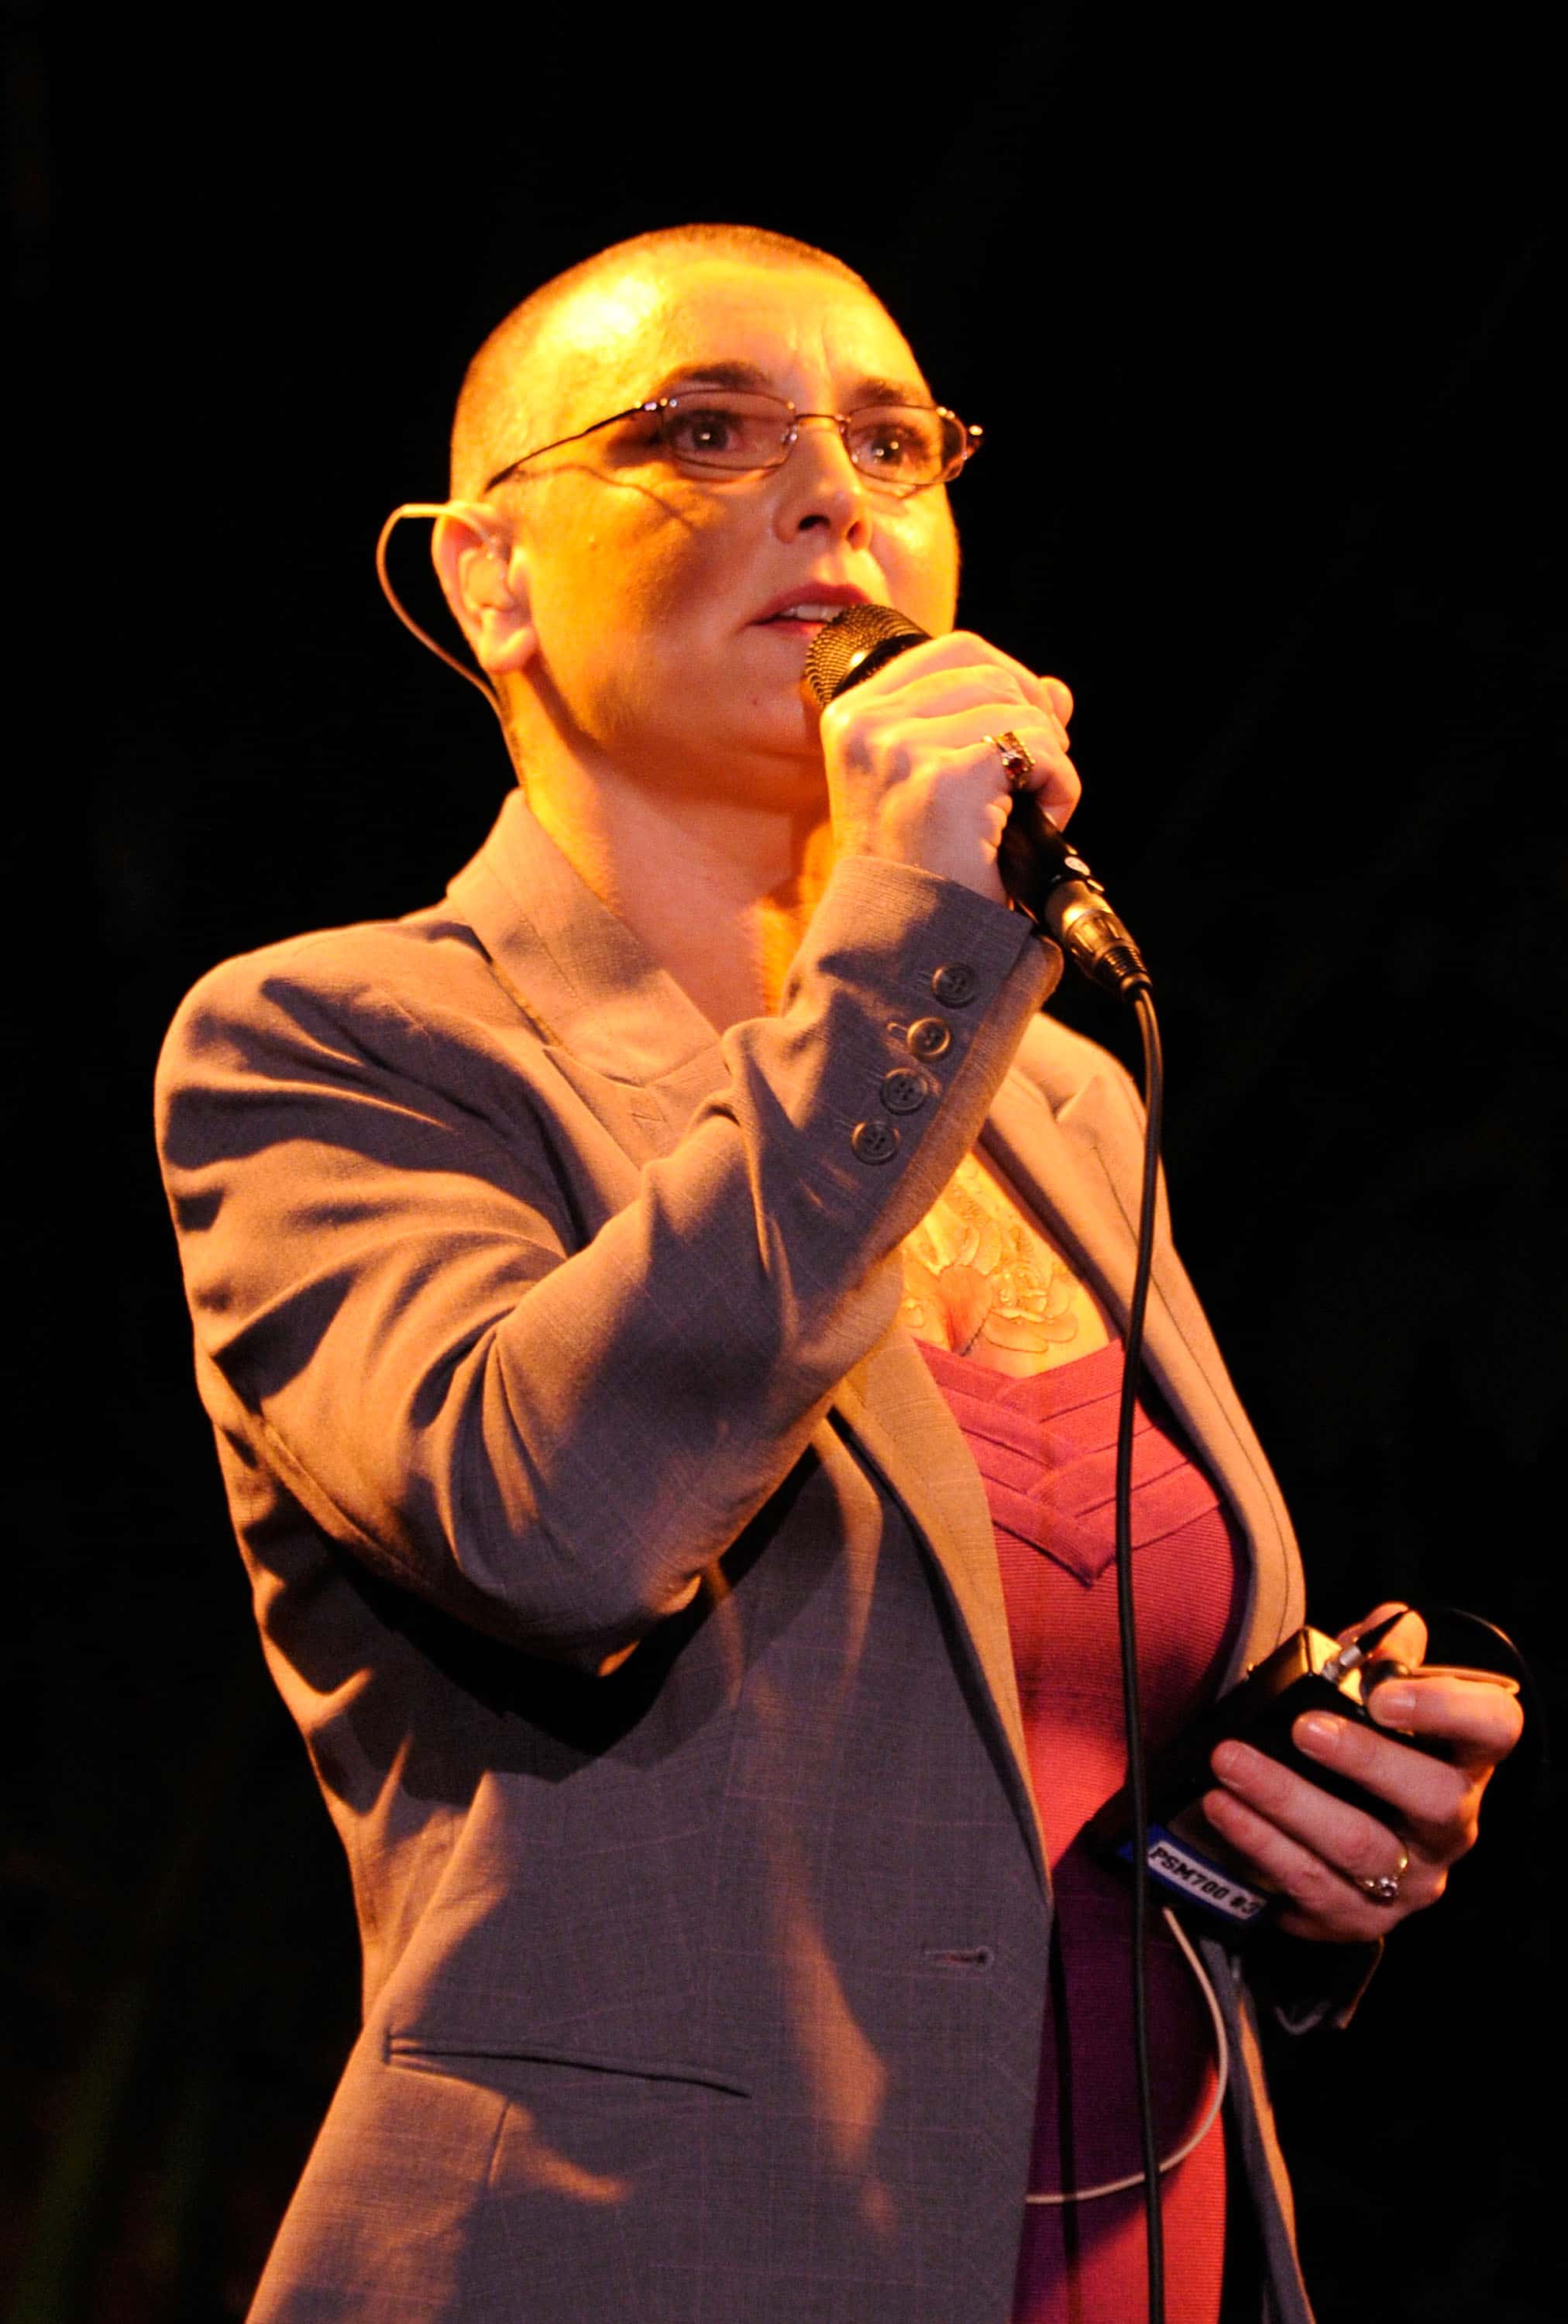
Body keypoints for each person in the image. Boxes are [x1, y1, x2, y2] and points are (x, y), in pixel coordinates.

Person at [154, 223, 1522, 2324]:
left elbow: (1020, 1780)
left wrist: (1309, 1849)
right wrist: (912, 930)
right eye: (703, 433)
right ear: (481, 581)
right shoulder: (339, 1047)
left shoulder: (1055, 1100)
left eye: (895, 441)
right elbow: (560, 1523)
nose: (834, 495)